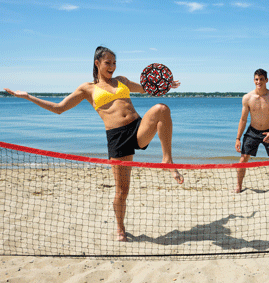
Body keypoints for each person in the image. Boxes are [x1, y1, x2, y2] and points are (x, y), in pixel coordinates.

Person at [4, 46, 184, 241]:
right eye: (108, 63)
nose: (112, 67)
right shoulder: (87, 88)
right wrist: (28, 97)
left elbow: (147, 89)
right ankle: (120, 228)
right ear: (97, 63)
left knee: (162, 109)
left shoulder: (122, 80)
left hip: (137, 127)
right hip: (117, 137)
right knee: (122, 190)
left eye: (114, 63)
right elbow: (58, 108)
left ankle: (167, 160)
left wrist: (165, 84)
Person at [234, 68, 269, 194]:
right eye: (257, 79)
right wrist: (238, 138)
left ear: (266, 80)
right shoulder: (247, 98)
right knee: (243, 160)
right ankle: (238, 186)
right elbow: (243, 119)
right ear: (254, 81)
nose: (259, 82)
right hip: (252, 132)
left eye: (261, 79)